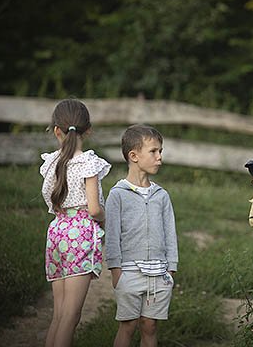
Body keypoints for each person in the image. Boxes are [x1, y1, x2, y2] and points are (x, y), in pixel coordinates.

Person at [40, 99, 111, 347]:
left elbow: (52, 201)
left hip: (57, 232)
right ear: (88, 130)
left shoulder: (51, 162)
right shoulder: (88, 163)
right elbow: (93, 209)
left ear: (56, 130)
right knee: (71, 317)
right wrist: (106, 218)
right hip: (79, 236)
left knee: (59, 316)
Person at [105, 124, 178, 347]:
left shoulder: (162, 196)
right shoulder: (117, 195)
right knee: (127, 325)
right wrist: (116, 270)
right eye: (154, 151)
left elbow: (170, 232)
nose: (159, 158)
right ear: (134, 156)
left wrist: (171, 267)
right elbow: (112, 236)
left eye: (160, 151)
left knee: (150, 325)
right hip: (128, 271)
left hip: (159, 272)